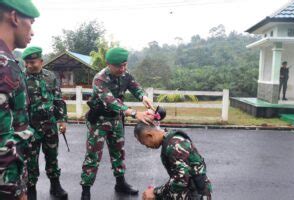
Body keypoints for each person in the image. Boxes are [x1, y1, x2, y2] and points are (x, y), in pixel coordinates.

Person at [80, 47, 155, 200]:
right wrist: (134, 113)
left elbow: (135, 87)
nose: (122, 69)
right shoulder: (100, 79)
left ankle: (120, 183)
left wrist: (143, 97)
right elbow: (110, 101)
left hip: (116, 120)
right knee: (93, 156)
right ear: (108, 64)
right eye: (118, 66)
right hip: (99, 122)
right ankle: (86, 191)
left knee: (118, 153)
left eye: (124, 65)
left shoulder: (125, 74)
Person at [0, 0, 39, 199]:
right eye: (31, 23)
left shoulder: (9, 60)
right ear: (14, 17)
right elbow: (2, 140)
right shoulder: (4, 64)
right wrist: (14, 191)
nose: (32, 32)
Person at [22, 46, 68, 200]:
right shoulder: (21, 78)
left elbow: (58, 99)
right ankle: (31, 190)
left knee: (52, 156)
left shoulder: (50, 77)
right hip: (30, 127)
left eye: (32, 62)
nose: (29, 65)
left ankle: (55, 186)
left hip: (50, 125)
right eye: (26, 62)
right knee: (30, 161)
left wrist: (62, 120)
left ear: (41, 61)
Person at [134, 122, 212, 200]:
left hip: (196, 194)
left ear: (149, 135)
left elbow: (181, 179)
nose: (147, 146)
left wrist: (156, 192)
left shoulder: (174, 145)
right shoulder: (170, 138)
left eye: (144, 143)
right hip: (194, 189)